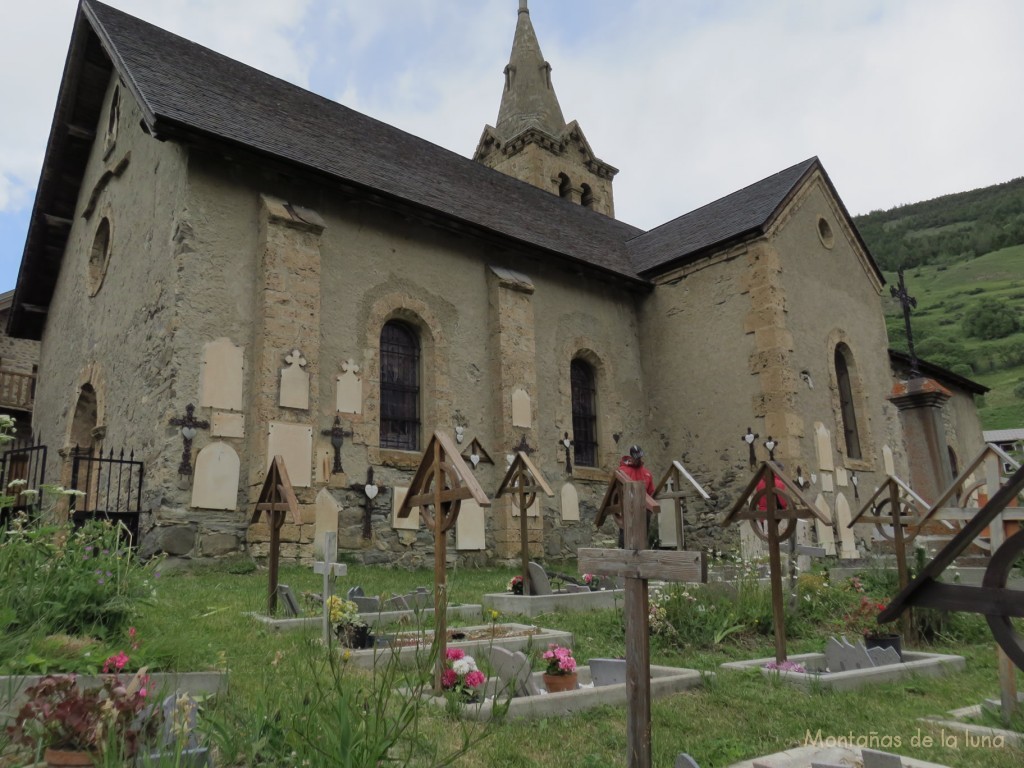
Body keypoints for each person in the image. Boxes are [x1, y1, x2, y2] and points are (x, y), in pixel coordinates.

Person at [617, 445, 655, 547]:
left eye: (640, 457)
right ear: (631, 457)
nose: (638, 460)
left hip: (643, 509)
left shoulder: (647, 473)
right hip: (627, 507)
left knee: (642, 537)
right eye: (636, 458)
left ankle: (642, 551)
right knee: (625, 535)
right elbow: (617, 491)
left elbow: (651, 491)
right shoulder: (622, 471)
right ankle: (622, 551)